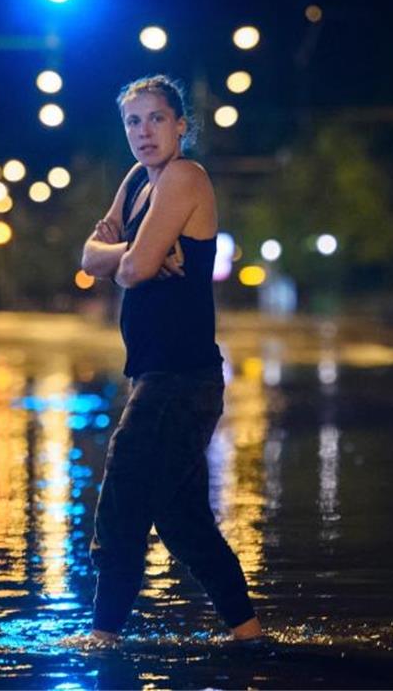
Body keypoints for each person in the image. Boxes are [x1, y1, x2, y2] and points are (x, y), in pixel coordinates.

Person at [76, 75, 262, 646]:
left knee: (122, 501)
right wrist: (137, 252)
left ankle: (102, 641)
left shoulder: (185, 176)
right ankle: (251, 638)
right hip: (156, 376)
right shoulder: (137, 180)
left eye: (156, 118)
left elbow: (125, 271)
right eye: (133, 121)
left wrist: (128, 257)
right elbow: (90, 257)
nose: (144, 131)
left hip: (182, 379)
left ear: (181, 124)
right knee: (184, 523)